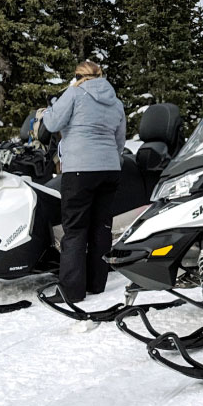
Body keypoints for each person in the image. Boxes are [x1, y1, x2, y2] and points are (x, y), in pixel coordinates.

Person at [39, 60, 127, 303]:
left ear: (78, 76)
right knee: (101, 227)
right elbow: (120, 139)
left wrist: (51, 109)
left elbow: (52, 123)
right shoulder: (115, 102)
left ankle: (71, 291)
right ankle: (97, 284)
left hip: (79, 169)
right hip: (109, 168)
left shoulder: (74, 93)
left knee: (75, 229)